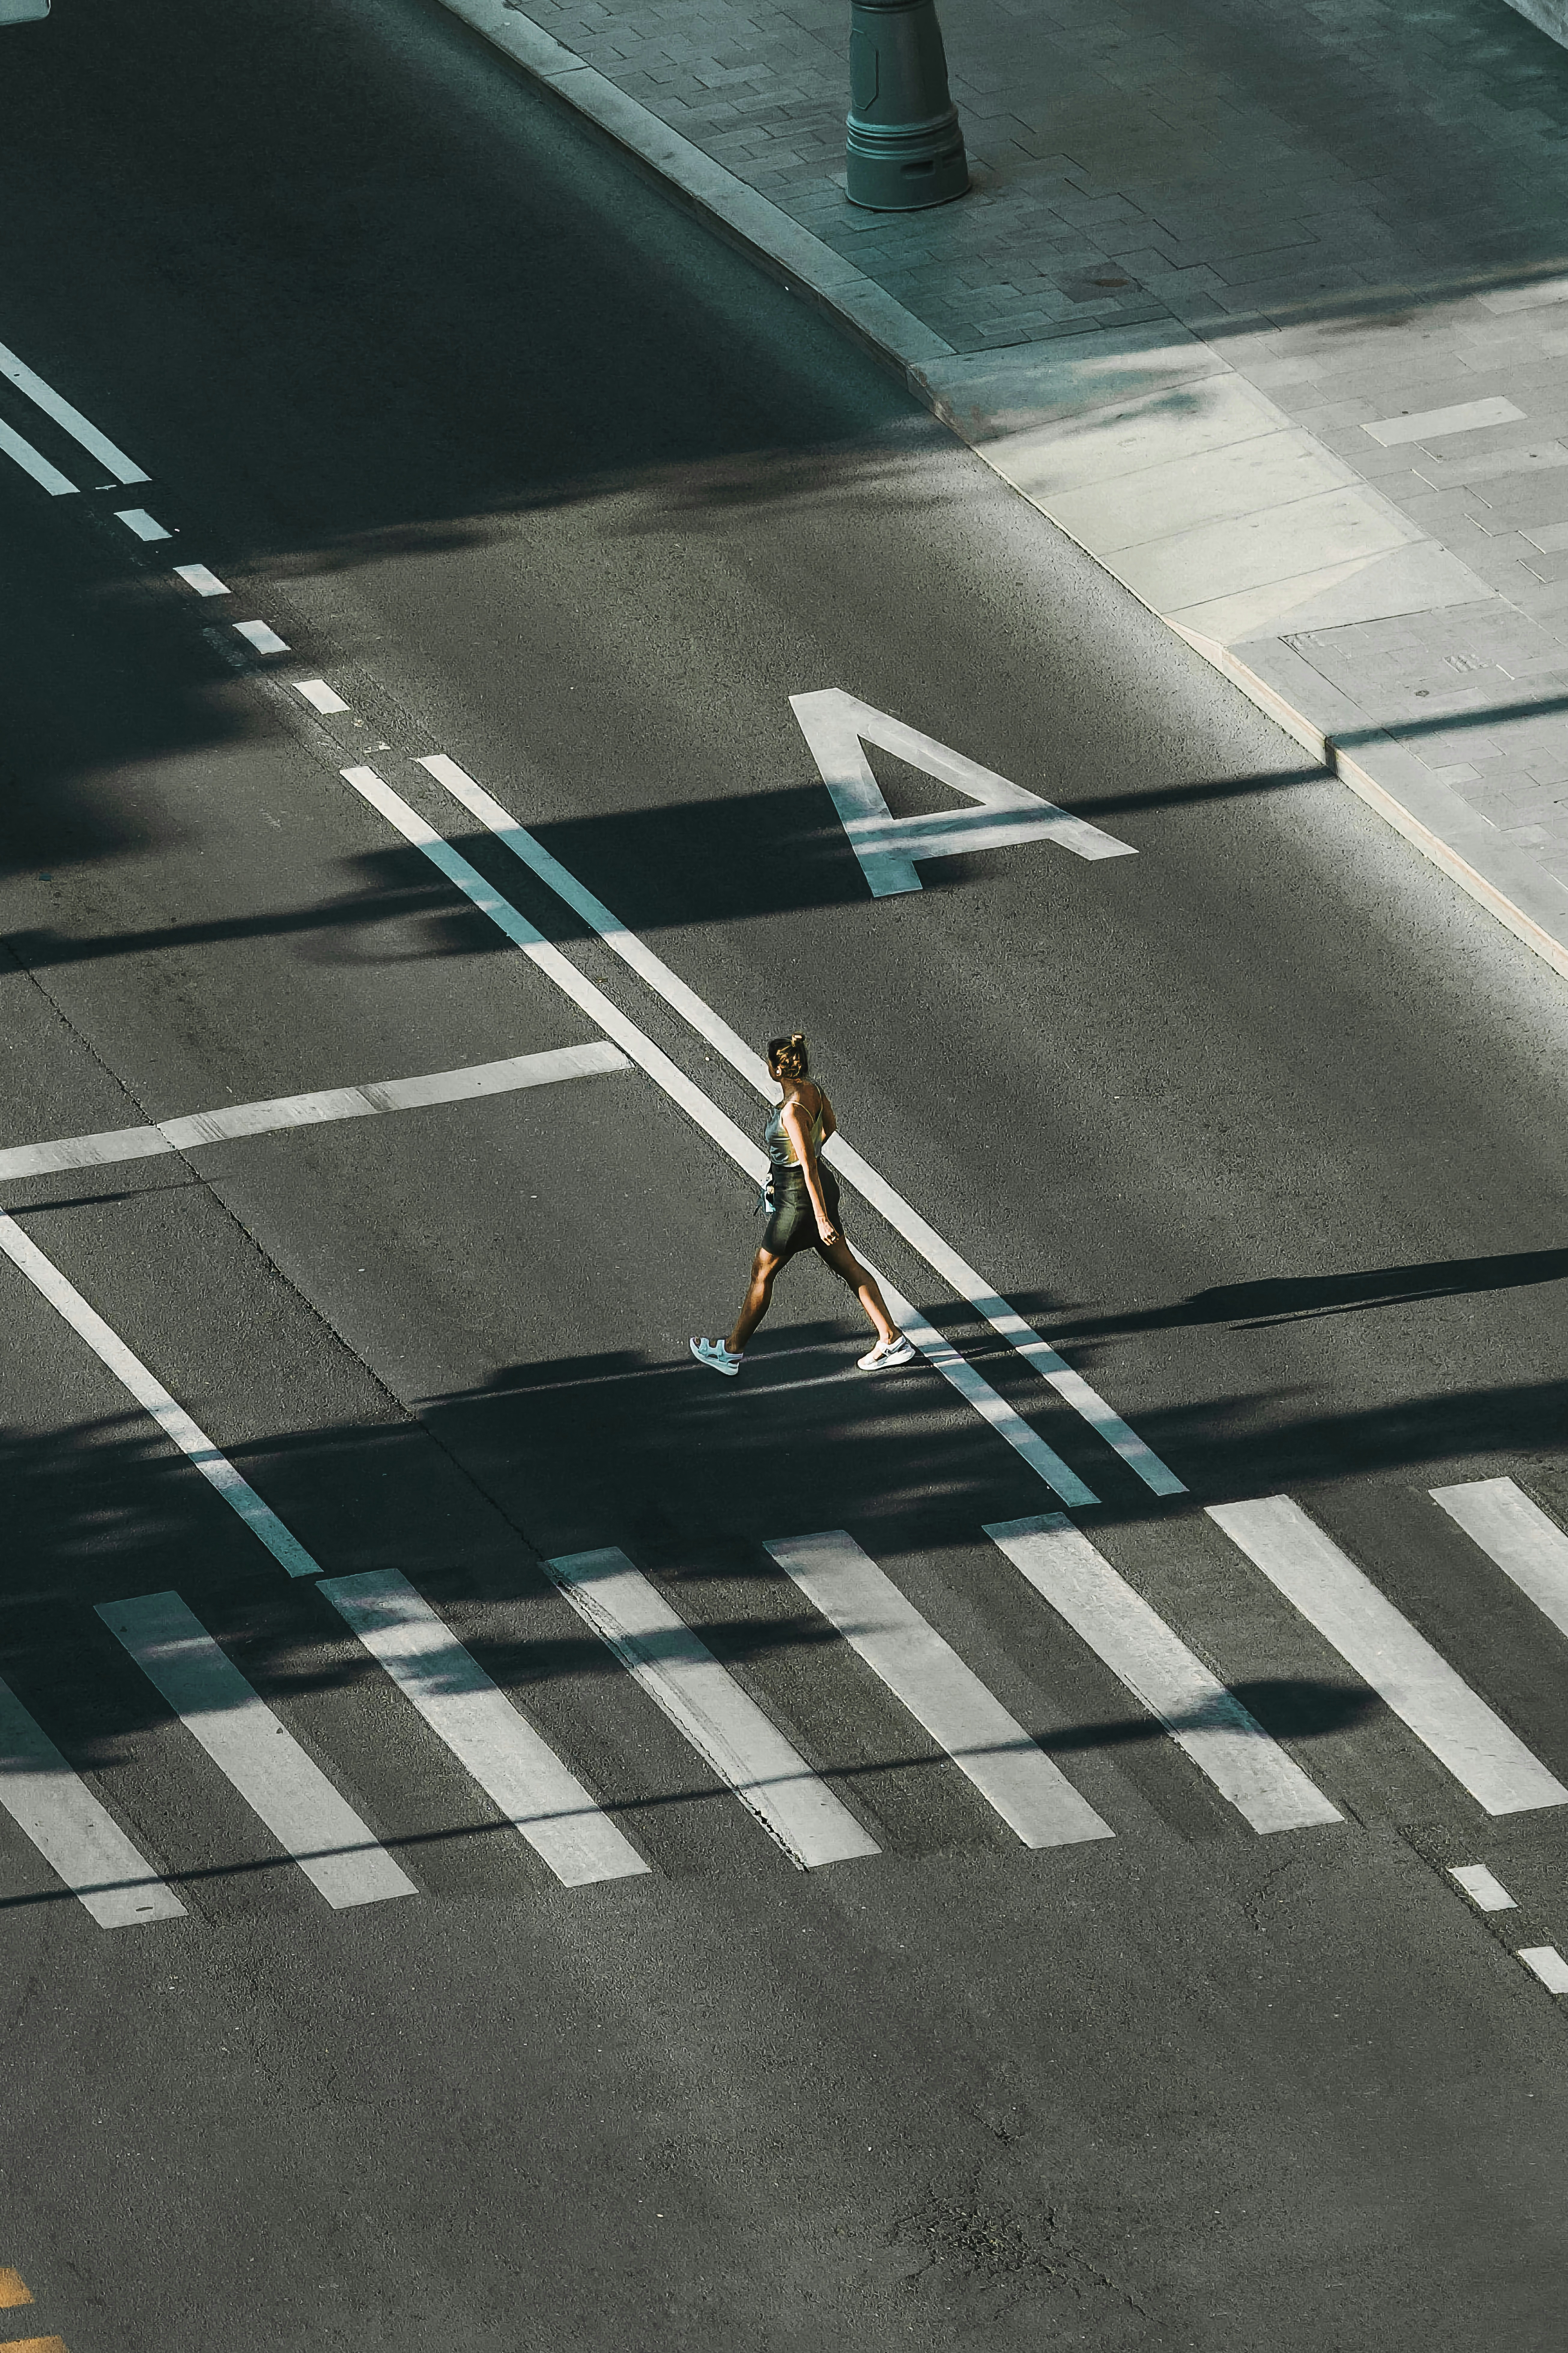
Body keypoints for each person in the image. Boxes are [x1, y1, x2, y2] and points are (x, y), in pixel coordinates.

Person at [690, 1033, 916, 1378]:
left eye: (769, 1062)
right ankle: (891, 1338)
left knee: (762, 1272)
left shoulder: (792, 1111)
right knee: (849, 1268)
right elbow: (830, 1127)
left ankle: (731, 1352)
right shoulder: (813, 1091)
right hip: (815, 1191)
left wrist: (820, 1218)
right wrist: (806, 1157)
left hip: (800, 1205)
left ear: (778, 1068)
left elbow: (807, 1167)